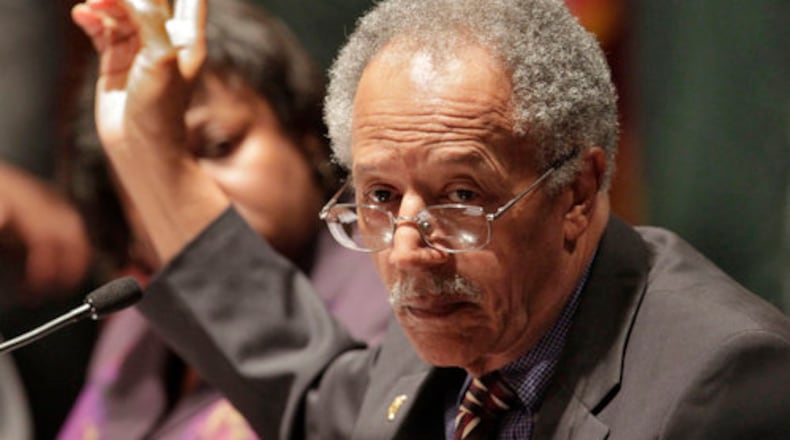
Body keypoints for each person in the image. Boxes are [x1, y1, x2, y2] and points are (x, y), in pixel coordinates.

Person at [72, 0, 790, 438]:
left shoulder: (719, 384)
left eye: (463, 197)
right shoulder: (460, 325)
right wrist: (147, 146)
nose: (412, 252)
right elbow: (311, 396)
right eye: (380, 198)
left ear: (577, 192)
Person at [59, 0, 389, 438]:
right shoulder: (129, 321)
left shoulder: (391, 280)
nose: (196, 188)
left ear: (307, 138)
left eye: (219, 147)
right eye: (148, 170)